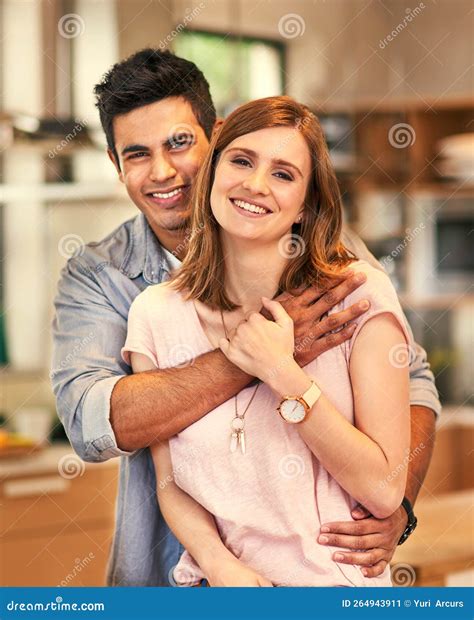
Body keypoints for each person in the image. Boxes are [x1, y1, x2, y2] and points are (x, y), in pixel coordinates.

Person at [51, 49, 440, 587]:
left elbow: (411, 381)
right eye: (137, 154)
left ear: (214, 138)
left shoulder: (332, 260)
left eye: (180, 143)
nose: (163, 171)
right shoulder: (108, 280)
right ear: (117, 168)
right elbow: (95, 423)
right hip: (175, 580)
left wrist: (395, 506)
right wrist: (257, 357)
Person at [121, 96, 411, 587]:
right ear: (212, 173)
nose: (255, 184)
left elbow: (384, 490)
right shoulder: (156, 313)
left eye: (283, 174)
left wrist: (281, 372)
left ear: (305, 206)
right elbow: (169, 482)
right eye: (241, 161)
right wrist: (218, 563)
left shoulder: (356, 295)